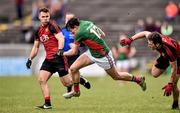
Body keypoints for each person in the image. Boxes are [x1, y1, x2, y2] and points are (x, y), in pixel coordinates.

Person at [62, 17, 146, 99]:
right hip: (92, 52)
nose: (72, 33)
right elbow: (102, 33)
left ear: (76, 26)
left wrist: (62, 53)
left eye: (71, 30)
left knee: (116, 76)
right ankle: (76, 91)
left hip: (103, 56)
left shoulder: (79, 33)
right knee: (73, 68)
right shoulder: (85, 22)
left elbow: (74, 52)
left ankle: (138, 80)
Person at [26, 7, 73, 109]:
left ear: (49, 16)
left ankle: (78, 79)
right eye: (43, 17)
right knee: (41, 80)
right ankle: (47, 103)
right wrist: (30, 58)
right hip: (48, 59)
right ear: (39, 17)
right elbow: (36, 47)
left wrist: (60, 50)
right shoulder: (38, 31)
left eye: (47, 16)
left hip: (58, 58)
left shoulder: (53, 26)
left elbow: (61, 38)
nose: (46, 18)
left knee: (67, 83)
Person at [120, 31, 180, 109]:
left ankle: (175, 104)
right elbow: (145, 33)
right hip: (165, 55)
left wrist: (170, 83)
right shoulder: (154, 38)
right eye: (148, 43)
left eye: (150, 44)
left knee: (174, 84)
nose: (148, 45)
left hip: (177, 58)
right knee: (154, 73)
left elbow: (173, 68)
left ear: (157, 44)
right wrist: (130, 39)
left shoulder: (169, 50)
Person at [61, 13, 91, 92]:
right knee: (66, 73)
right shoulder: (62, 31)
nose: (66, 20)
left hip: (73, 54)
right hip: (64, 54)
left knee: (72, 71)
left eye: (69, 19)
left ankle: (76, 84)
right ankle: (78, 81)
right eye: (66, 19)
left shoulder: (76, 31)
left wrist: (75, 46)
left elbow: (82, 42)